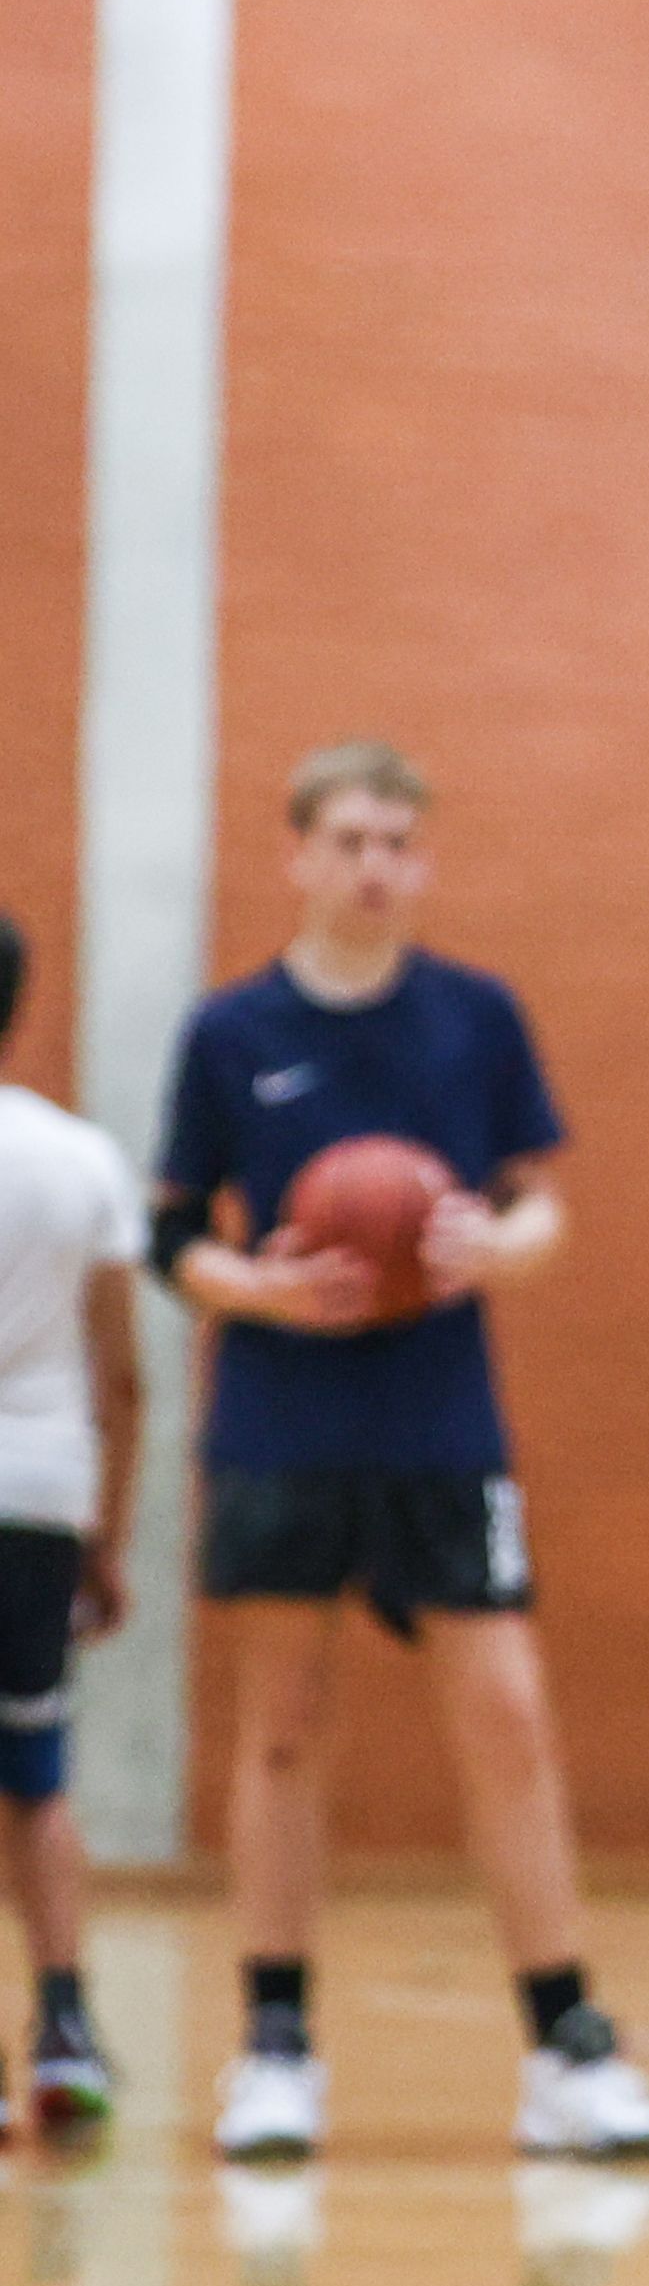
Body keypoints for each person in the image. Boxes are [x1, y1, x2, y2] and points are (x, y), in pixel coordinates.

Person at [151, 741, 649, 2164]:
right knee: (282, 1726)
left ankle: (566, 2046)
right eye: (351, 839)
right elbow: (170, 1233)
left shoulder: (475, 1018)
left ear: (421, 861)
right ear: (299, 857)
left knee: (506, 1713)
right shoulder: (230, 1031)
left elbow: (546, 1209)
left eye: (399, 841)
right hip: (281, 1415)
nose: (377, 862)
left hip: (443, 1422)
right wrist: (250, 1286)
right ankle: (275, 2049)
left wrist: (491, 1246)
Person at [0, 909, 139, 2133]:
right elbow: (121, 1374)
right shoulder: (81, 1157)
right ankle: (66, 2032)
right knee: (36, 1774)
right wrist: (109, 1536)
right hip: (43, 1497)